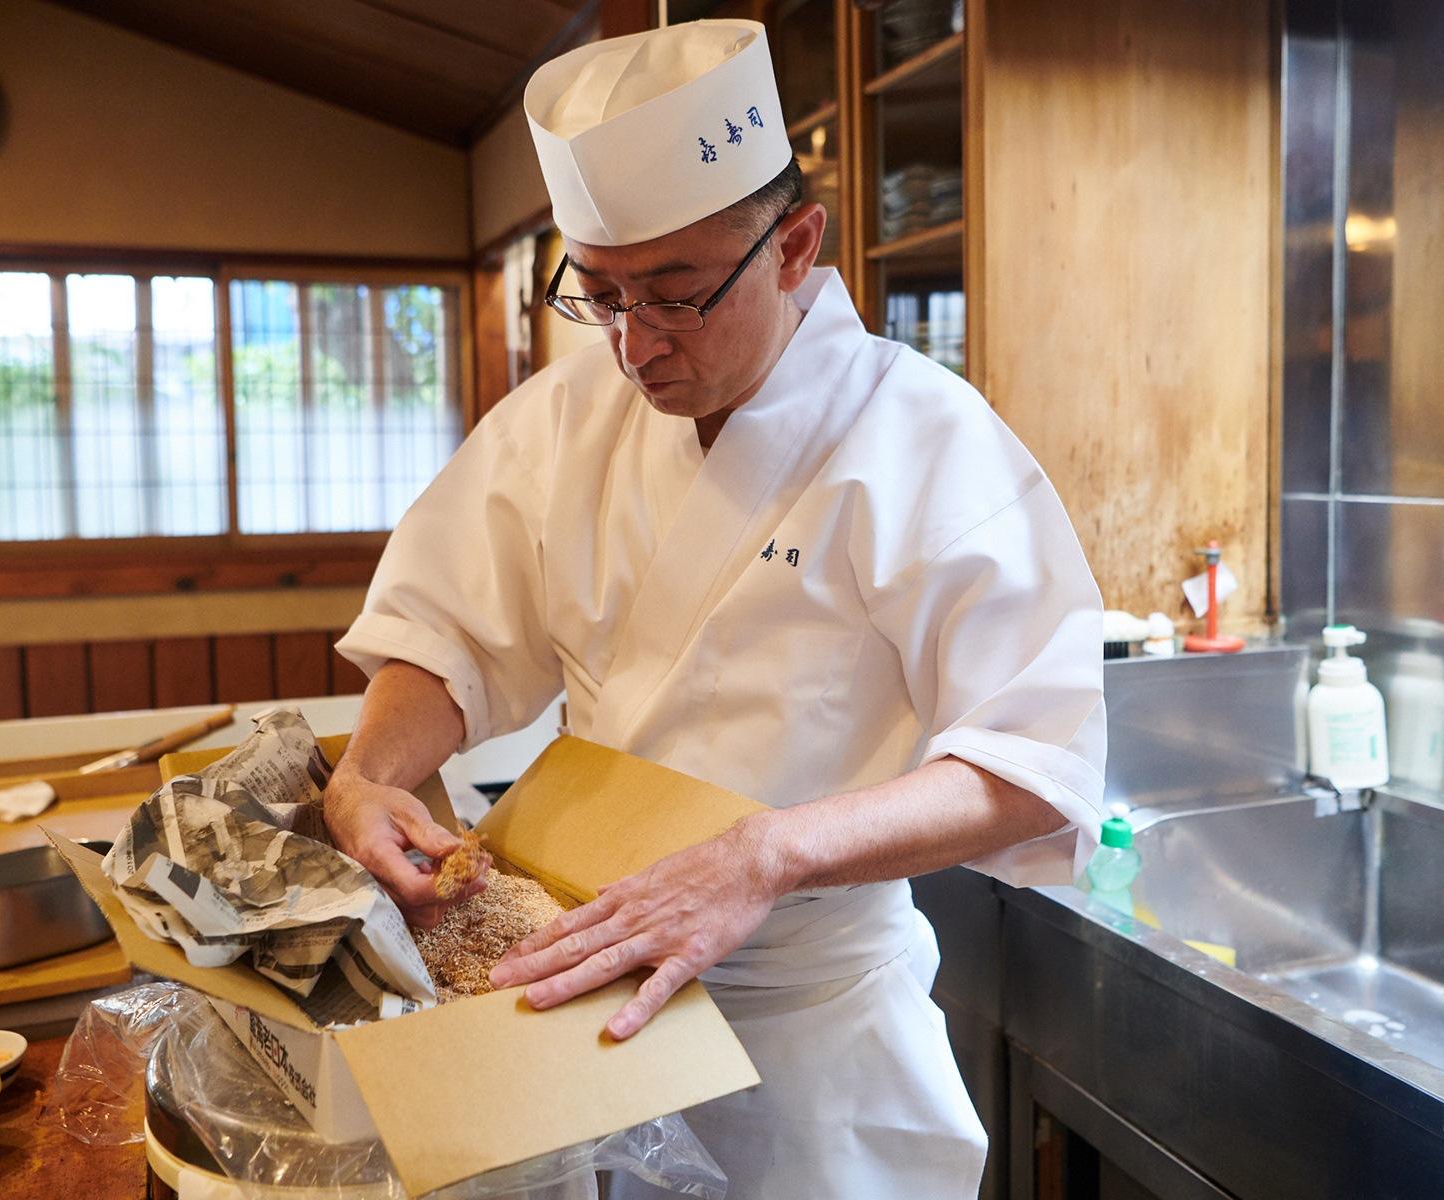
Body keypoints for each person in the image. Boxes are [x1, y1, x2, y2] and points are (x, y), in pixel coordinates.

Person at [323, 19, 1105, 1198]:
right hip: (577, 1004)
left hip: (814, 1036)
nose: (635, 345)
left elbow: (1033, 763)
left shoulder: (924, 443)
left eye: (679, 296)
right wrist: (372, 775)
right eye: (600, 294)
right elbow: (445, 636)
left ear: (794, 245)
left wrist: (768, 855)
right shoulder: (565, 419)